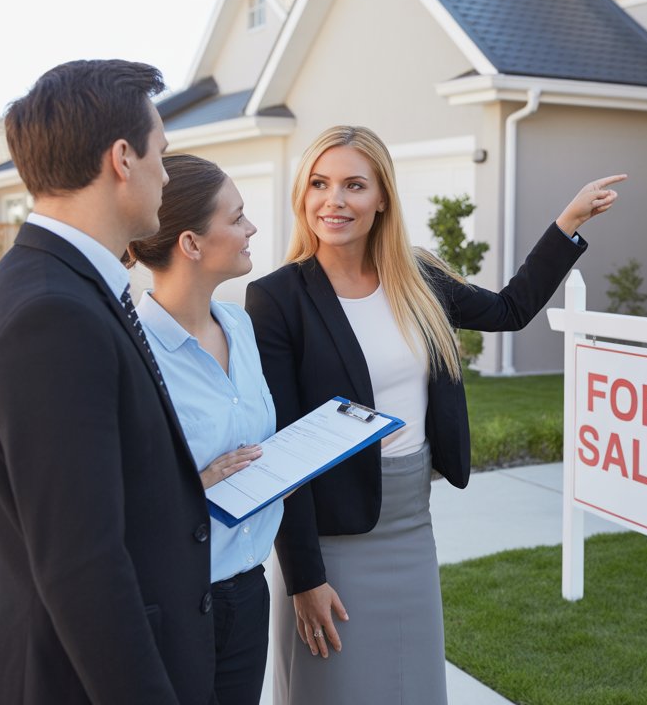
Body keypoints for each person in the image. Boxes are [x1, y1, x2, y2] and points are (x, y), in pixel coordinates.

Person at [246, 125, 624, 704]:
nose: (335, 201)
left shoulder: (417, 276)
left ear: (382, 199)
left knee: (412, 684)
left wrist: (566, 225)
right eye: (320, 184)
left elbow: (510, 309)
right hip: (331, 533)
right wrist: (304, 578)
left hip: (409, 523)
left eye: (354, 185)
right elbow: (284, 449)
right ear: (302, 194)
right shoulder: (277, 298)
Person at [0, 60, 215, 703]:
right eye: (162, 151)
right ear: (122, 158)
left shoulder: (54, 284)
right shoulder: (52, 315)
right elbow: (82, 567)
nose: (166, 170)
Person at [129, 154, 279, 705]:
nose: (251, 229)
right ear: (191, 244)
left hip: (248, 592)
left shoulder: (239, 324)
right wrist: (199, 483)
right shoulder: (133, 349)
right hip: (176, 606)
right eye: (237, 217)